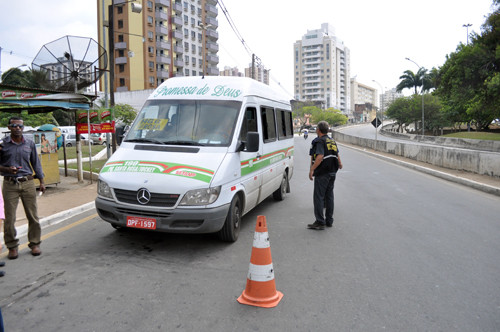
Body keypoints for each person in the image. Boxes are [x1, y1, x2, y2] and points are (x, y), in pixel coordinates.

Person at [0, 117, 46, 259]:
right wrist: (8, 169)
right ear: (9, 127)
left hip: (28, 183)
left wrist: (42, 181)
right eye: (14, 125)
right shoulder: (3, 145)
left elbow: (36, 163)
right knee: (10, 218)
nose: (17, 128)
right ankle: (12, 246)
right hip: (9, 184)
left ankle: (34, 243)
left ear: (23, 127)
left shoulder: (30, 144)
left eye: (20, 126)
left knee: (33, 215)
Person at [307, 121, 342, 230]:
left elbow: (320, 156)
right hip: (333, 171)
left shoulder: (319, 141)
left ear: (318, 130)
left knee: (319, 197)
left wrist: (311, 169)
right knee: (329, 196)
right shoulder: (332, 141)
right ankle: (329, 221)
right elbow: (337, 155)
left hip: (323, 173)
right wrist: (340, 164)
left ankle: (320, 222)